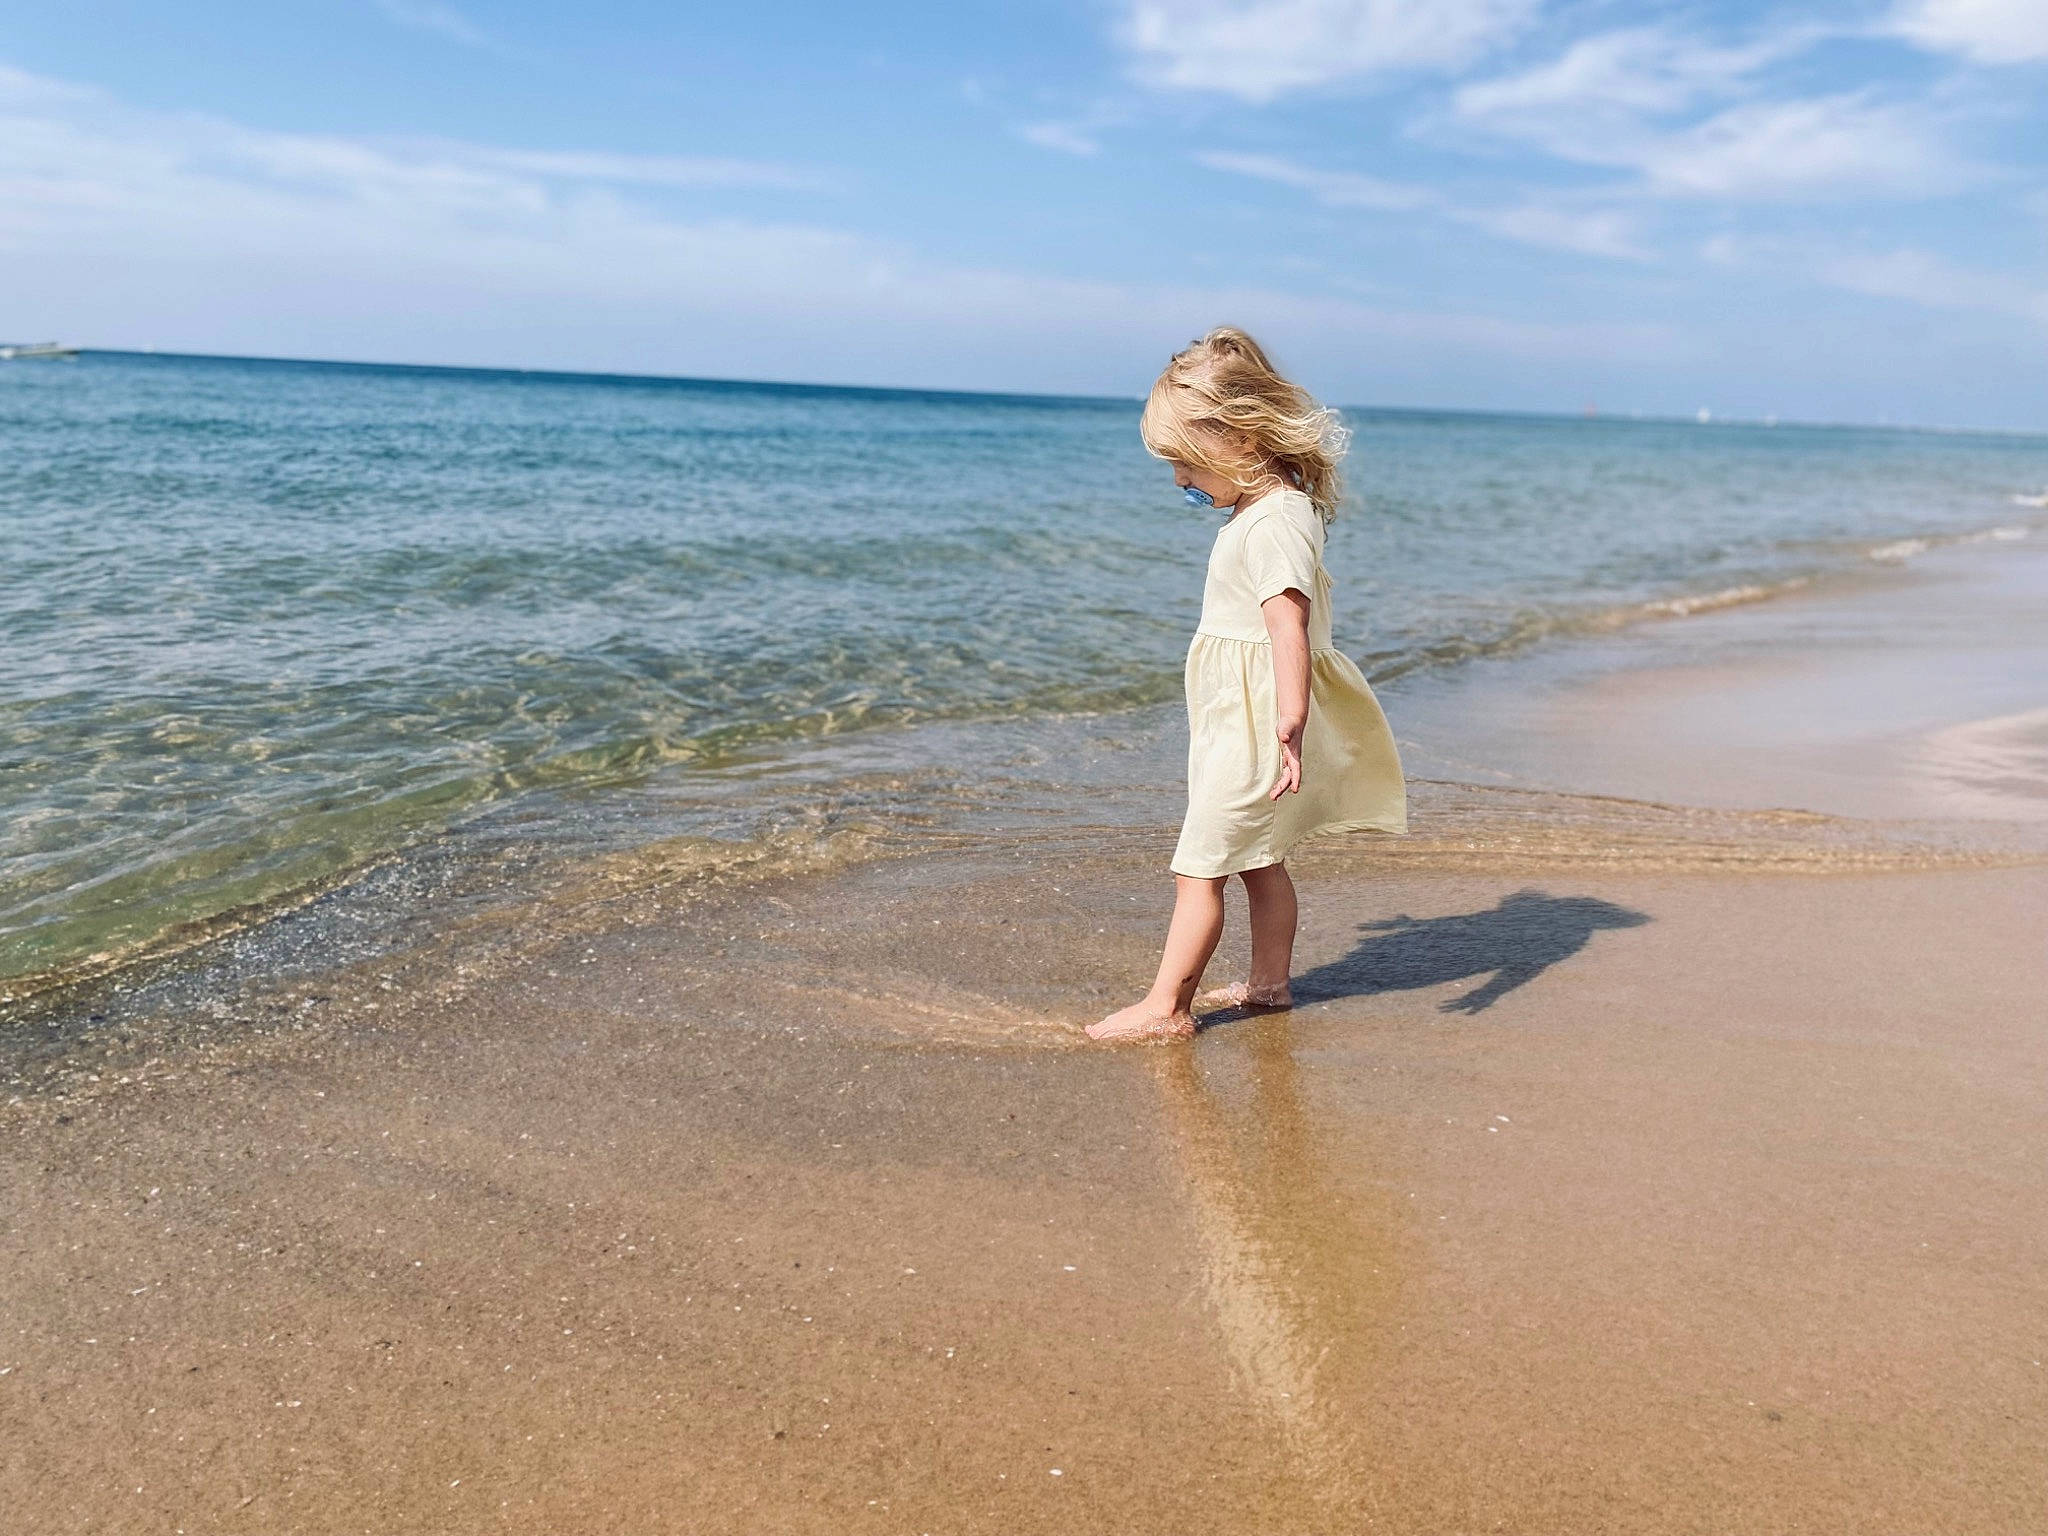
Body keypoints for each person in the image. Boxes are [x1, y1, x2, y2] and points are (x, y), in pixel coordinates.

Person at [1087, 328, 1406, 1043]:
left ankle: (1166, 1008)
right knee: (1261, 859)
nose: (1179, 482)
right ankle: (1268, 985)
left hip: (1260, 721)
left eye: (1184, 463)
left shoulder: (1274, 523)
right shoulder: (1273, 509)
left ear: (1237, 437)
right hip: (1241, 718)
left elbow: (1286, 624)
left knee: (1199, 868)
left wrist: (1289, 720)